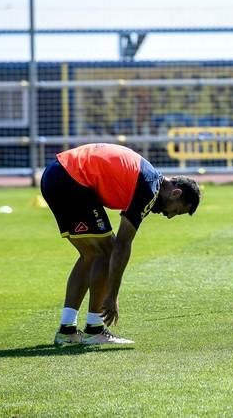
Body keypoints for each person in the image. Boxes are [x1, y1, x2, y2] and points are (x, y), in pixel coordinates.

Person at [40, 143, 201, 346]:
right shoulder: (149, 188)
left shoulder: (149, 179)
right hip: (71, 179)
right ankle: (94, 328)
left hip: (55, 174)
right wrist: (112, 296)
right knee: (107, 252)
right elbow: (123, 245)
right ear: (175, 193)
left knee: (90, 255)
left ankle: (67, 330)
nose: (169, 216)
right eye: (175, 211)